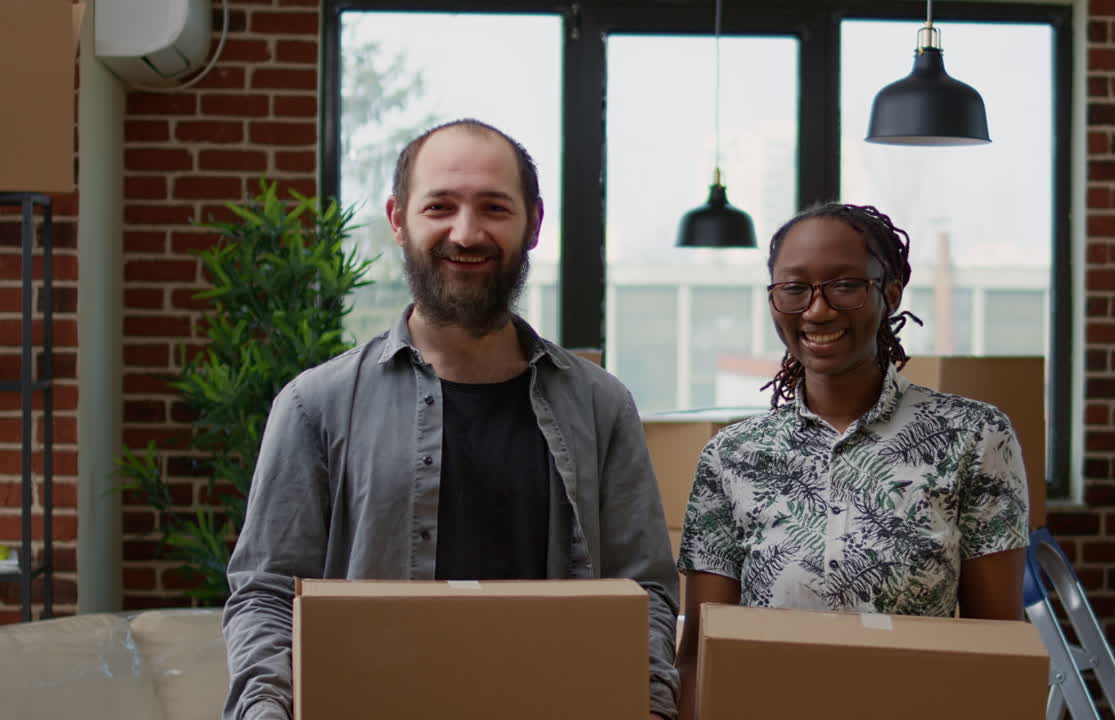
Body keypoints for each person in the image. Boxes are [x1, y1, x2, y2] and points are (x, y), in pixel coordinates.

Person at [222, 119, 678, 720]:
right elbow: (266, 595)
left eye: (494, 207)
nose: (467, 233)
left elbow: (644, 596)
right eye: (440, 206)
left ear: (533, 224)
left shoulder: (601, 406)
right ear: (397, 219)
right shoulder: (315, 405)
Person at [674, 202, 1029, 719]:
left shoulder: (974, 437)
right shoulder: (732, 457)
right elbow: (701, 659)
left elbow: (997, 649)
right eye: (794, 289)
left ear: (889, 293)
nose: (817, 311)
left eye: (844, 285)